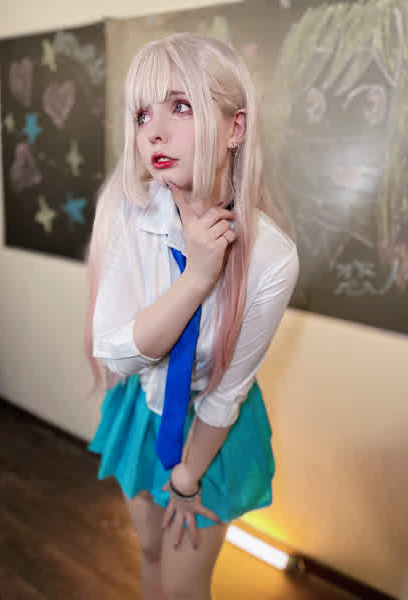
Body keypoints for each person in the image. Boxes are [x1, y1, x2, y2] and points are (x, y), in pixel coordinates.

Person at [83, 32, 299, 600]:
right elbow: (117, 352)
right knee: (150, 554)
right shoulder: (129, 215)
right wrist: (196, 277)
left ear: (235, 128)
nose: (153, 131)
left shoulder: (272, 258)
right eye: (142, 114)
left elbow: (227, 393)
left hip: (212, 429)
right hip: (145, 410)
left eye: (180, 106)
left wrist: (185, 477)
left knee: (184, 589)